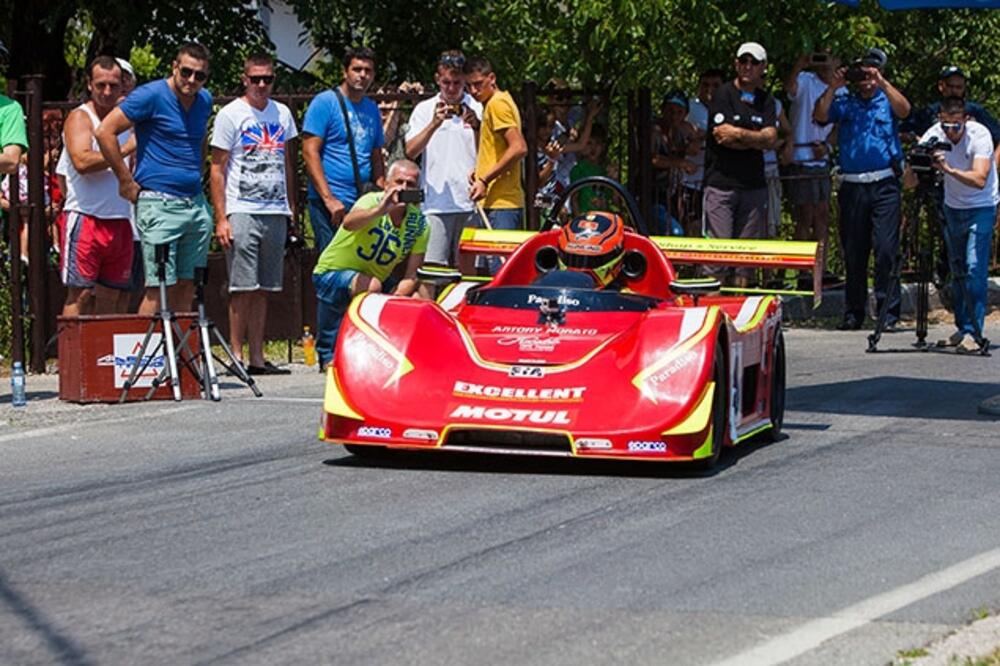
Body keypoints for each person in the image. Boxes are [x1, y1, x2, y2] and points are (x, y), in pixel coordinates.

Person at [96, 42, 214, 316]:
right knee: (159, 287)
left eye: (200, 75)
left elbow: (201, 140)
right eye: (186, 72)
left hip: (194, 203)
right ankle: (150, 357)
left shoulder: (204, 100)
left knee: (188, 285)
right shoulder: (150, 95)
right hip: (159, 204)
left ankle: (182, 356)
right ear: (175, 67)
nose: (192, 80)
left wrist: (198, 173)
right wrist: (125, 180)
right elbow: (105, 132)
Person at [210, 52, 298, 375]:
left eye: (268, 79)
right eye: (256, 79)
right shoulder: (231, 115)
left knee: (265, 287)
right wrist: (222, 217)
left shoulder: (283, 113)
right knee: (242, 286)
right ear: (245, 79)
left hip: (275, 208)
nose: (262, 85)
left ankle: (257, 357)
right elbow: (217, 168)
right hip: (243, 207)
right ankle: (235, 353)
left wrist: (291, 208)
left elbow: (288, 163)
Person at [814, 47, 911, 331]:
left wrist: (882, 82)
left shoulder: (885, 99)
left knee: (885, 249)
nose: (866, 80)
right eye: (862, 74)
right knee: (854, 251)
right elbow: (820, 115)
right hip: (854, 186)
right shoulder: (846, 101)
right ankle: (853, 311)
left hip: (884, 185)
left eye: (870, 73)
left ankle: (887, 312)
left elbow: (905, 110)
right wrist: (834, 86)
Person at [312, 160, 429, 370]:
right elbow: (348, 223)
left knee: (419, 297)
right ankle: (328, 351)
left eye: (410, 185)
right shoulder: (370, 201)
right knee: (372, 286)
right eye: (398, 182)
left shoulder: (419, 223)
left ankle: (403, 355)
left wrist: (395, 299)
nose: (403, 189)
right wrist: (380, 210)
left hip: (372, 280)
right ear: (386, 184)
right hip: (332, 272)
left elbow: (412, 274)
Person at [909, 97, 997, 353]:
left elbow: (980, 178)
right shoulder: (934, 134)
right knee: (956, 267)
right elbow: (909, 182)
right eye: (946, 125)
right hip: (953, 206)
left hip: (981, 205)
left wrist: (947, 168)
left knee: (973, 267)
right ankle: (962, 326)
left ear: (965, 120)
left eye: (956, 127)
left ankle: (974, 330)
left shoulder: (980, 135)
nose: (950, 132)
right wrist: (915, 162)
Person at [56, 56, 136, 316]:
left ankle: (105, 356)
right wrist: (122, 150)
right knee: (79, 295)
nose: (107, 92)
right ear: (89, 84)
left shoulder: (125, 119)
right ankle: (71, 357)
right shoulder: (81, 117)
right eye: (101, 85)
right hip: (86, 217)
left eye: (113, 85)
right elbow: (81, 160)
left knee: (112, 298)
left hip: (120, 219)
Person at [703, 42, 778, 283]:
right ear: (736, 64)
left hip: (753, 185)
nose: (748, 66)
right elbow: (723, 138)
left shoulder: (766, 100)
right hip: (721, 185)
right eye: (743, 61)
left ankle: (741, 315)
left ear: (763, 67)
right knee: (717, 257)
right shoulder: (723, 94)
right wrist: (756, 139)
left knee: (745, 262)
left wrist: (740, 134)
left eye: (754, 62)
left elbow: (771, 139)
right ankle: (712, 310)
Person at [404, 50, 482, 272]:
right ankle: (431, 307)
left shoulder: (477, 106)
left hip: (470, 201)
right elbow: (410, 151)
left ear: (464, 81)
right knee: (431, 269)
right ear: (438, 79)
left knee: (467, 270)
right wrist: (433, 124)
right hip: (435, 203)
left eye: (457, 83)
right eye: (446, 82)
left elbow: (486, 153)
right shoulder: (424, 109)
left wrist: (476, 126)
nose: (451, 88)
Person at [302, 46, 385, 251]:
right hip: (330, 202)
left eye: (368, 71)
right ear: (345, 72)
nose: (362, 75)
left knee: (358, 261)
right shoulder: (325, 103)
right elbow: (309, 151)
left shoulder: (371, 108)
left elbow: (375, 156)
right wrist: (329, 199)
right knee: (332, 263)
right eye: (357, 69)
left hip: (361, 201)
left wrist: (382, 191)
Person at [784, 51, 843, 280]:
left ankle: (821, 268)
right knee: (804, 216)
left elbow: (840, 127)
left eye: (830, 56)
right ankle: (801, 269)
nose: (826, 61)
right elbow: (789, 88)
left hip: (822, 160)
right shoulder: (806, 80)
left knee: (822, 215)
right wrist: (800, 63)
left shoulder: (843, 89)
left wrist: (827, 147)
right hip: (801, 159)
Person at [465, 56, 527, 237]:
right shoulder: (493, 104)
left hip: (502, 204)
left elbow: (519, 147)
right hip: (495, 203)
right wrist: (479, 170)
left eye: (478, 84)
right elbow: (495, 149)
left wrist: (484, 179)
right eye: (469, 86)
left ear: (492, 78)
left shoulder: (497, 104)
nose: (474, 91)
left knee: (499, 265)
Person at [535, 212, 626, 290]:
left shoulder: (629, 299)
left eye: (590, 261)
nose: (579, 272)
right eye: (572, 259)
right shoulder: (544, 288)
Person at [682, 69, 724, 234]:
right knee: (693, 225)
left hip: (719, 180)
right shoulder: (690, 108)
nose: (709, 90)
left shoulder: (729, 106)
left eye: (715, 85)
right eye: (705, 85)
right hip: (692, 180)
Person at [652, 90, 697, 235]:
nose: (674, 116)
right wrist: (681, 163)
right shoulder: (655, 131)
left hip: (672, 196)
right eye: (670, 111)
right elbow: (653, 159)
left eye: (679, 112)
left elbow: (694, 149)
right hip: (654, 195)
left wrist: (693, 135)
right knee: (675, 231)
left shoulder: (679, 132)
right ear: (662, 110)